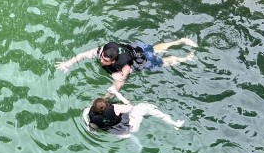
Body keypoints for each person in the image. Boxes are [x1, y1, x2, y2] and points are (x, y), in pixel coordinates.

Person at [56, 37, 196, 95]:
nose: (101, 61)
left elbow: (119, 83)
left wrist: (106, 96)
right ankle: (180, 41)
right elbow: (83, 55)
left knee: (164, 62)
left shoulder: (124, 66)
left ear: (113, 61)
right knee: (155, 48)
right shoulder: (104, 50)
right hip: (135, 48)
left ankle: (185, 57)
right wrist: (68, 63)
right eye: (102, 57)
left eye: (105, 60)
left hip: (140, 61)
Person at [82, 90, 183, 139]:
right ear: (107, 105)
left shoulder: (89, 113)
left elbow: (89, 120)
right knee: (146, 106)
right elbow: (129, 106)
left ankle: (133, 140)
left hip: (117, 133)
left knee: (128, 135)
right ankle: (174, 123)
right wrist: (118, 94)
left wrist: (89, 125)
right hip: (132, 126)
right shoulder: (115, 108)